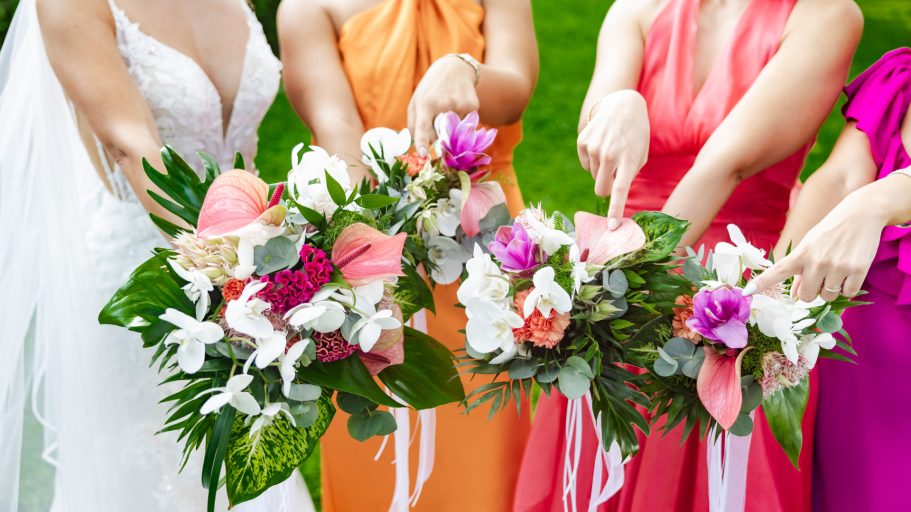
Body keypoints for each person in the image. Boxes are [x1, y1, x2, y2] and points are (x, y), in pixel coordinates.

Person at [515, 0, 862, 510]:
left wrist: (624, 284)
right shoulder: (635, 10)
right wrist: (619, 103)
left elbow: (727, 164)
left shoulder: (825, 15)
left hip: (732, 305)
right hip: (617, 285)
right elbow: (598, 138)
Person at [0, 0, 312, 510]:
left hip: (252, 270)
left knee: (244, 466)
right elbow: (131, 144)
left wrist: (275, 267)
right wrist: (230, 273)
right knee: (162, 479)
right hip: (145, 275)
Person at [277, 0, 538, 509]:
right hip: (372, 266)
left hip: (492, 261)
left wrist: (463, 69)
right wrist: (379, 246)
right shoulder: (306, 9)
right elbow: (340, 142)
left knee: (490, 470)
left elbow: (516, 90)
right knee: (381, 461)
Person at [746, 48, 911, 512]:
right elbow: (838, 180)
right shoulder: (900, 80)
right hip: (861, 359)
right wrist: (771, 297)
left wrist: (882, 198)